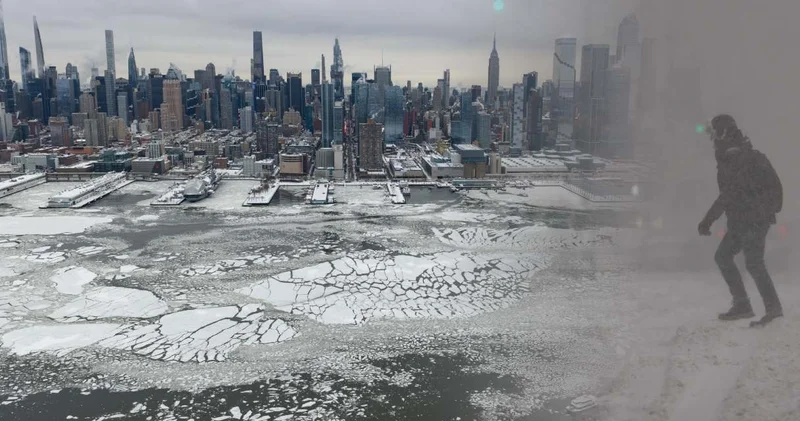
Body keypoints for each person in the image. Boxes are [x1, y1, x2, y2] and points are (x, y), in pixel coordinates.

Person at [698, 115, 784, 327]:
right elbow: (730, 195)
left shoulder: (741, 158)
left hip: (753, 220)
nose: (713, 140)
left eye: (714, 134)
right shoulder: (730, 158)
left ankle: (773, 309)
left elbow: (729, 194)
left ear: (724, 133)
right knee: (723, 256)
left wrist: (708, 220)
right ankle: (742, 304)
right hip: (740, 221)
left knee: (754, 263)